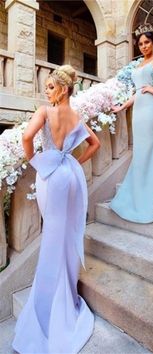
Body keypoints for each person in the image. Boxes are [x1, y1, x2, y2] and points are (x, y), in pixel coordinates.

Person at [12, 65, 100, 353]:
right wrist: (75, 162)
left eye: (50, 87)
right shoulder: (76, 117)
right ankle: (64, 291)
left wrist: (38, 162)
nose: (46, 90)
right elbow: (95, 144)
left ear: (62, 89)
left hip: (51, 175)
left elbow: (26, 139)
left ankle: (50, 301)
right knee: (64, 234)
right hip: (69, 175)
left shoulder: (45, 111)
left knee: (52, 234)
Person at [110, 23, 153, 223]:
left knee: (150, 149)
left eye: (147, 42)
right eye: (140, 43)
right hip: (139, 109)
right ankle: (138, 195)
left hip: (151, 108)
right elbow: (138, 90)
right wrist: (123, 106)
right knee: (140, 151)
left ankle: (149, 199)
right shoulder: (139, 63)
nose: (143, 46)